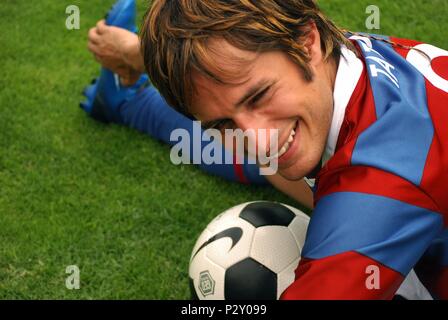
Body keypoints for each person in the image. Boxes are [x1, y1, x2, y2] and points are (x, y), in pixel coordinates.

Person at [84, 0, 446, 299]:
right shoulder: (345, 54)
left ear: (308, 42)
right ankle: (131, 103)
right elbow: (229, 74)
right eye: (221, 124)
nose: (258, 141)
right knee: (283, 151)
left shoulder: (382, 183)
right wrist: (140, 55)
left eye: (259, 96)